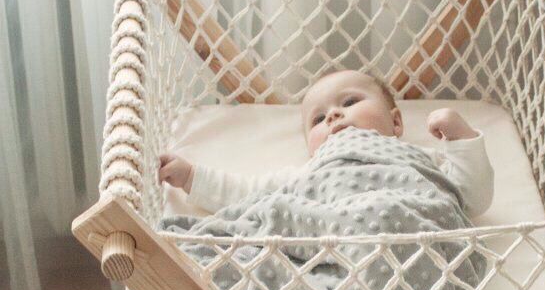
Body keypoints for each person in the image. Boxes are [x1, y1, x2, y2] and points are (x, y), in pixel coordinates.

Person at [158, 69, 494, 218]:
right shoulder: (310, 173)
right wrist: (191, 178)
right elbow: (246, 192)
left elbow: (471, 197)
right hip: (335, 246)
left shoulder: (418, 157)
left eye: (349, 103)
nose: (333, 115)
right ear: (311, 149)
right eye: (318, 120)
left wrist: (460, 136)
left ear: (396, 122)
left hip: (410, 236)